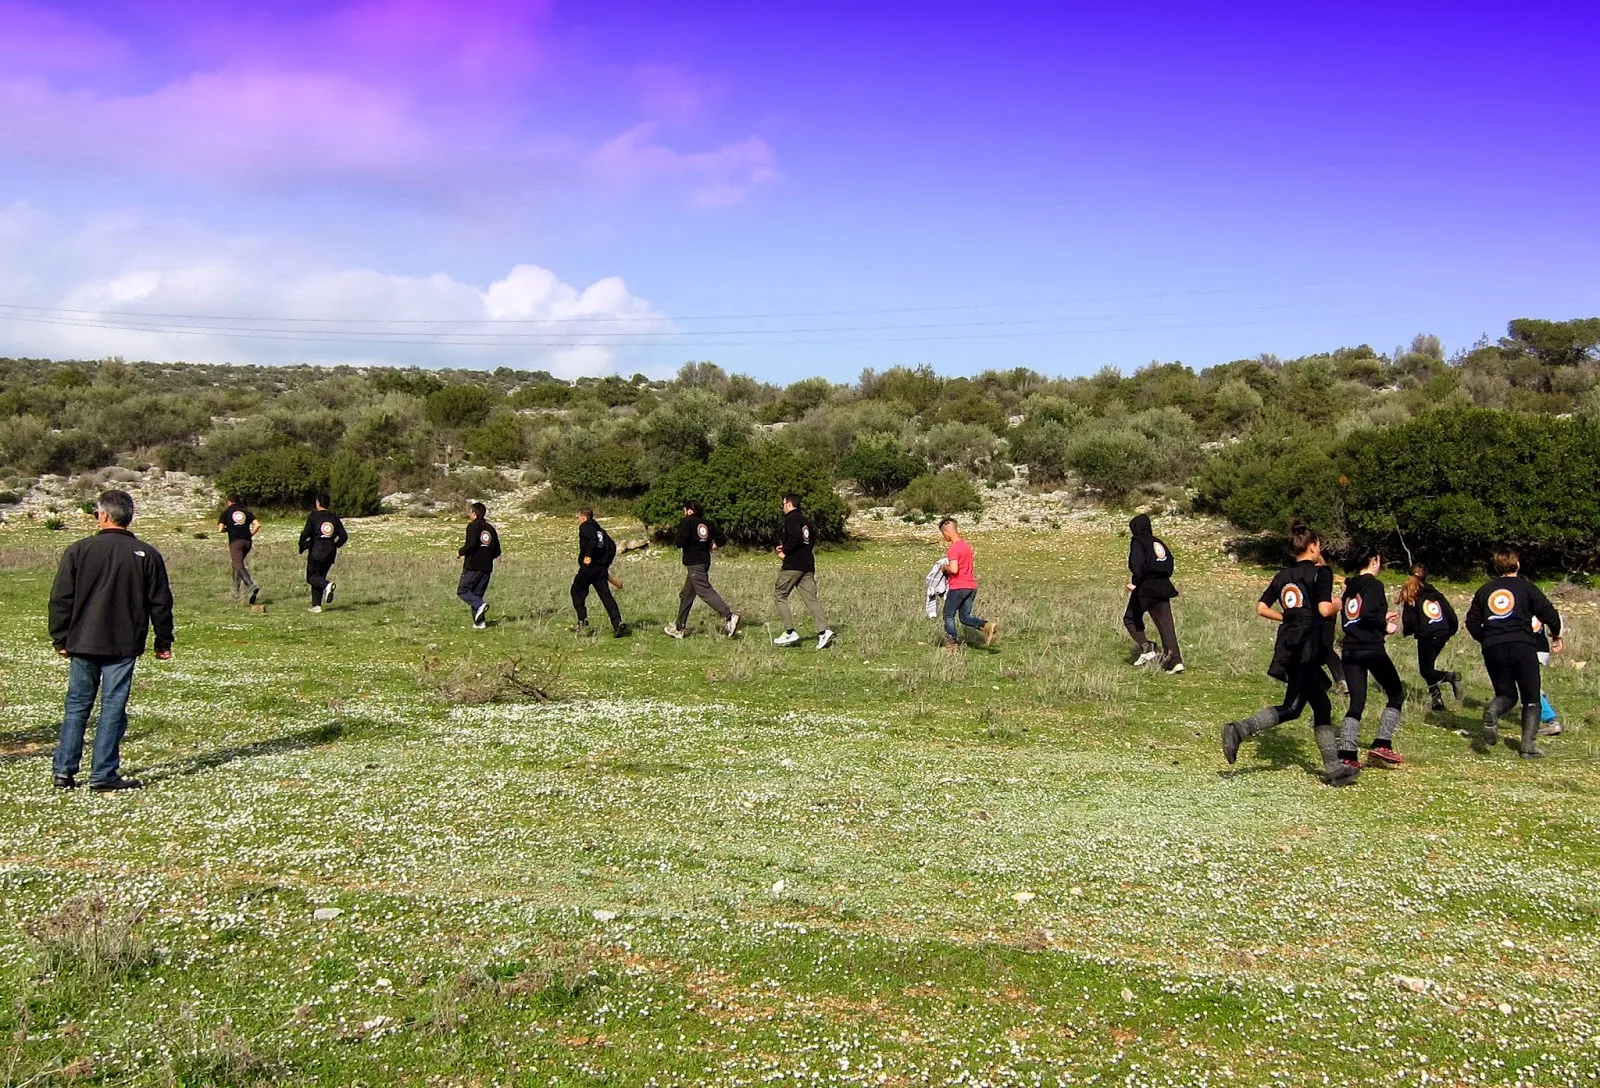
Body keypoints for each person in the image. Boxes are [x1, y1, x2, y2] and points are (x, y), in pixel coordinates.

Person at [47, 490, 173, 792]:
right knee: (113, 706)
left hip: (83, 640)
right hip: (123, 642)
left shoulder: (79, 550)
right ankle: (103, 773)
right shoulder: (147, 554)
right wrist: (163, 640)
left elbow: (61, 599)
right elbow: (160, 602)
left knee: (77, 706)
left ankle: (64, 771)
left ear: (102, 515)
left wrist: (60, 638)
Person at [1220, 521, 1357, 786]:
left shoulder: (1283, 576)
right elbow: (1324, 609)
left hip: (1288, 645)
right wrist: (1339, 604)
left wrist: (1287, 617)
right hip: (1308, 647)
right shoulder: (1321, 573)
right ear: (1313, 546)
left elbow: (1261, 608)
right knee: (1296, 707)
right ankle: (1239, 729)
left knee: (1316, 705)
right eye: (1318, 545)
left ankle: (1334, 769)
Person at [1465, 550, 1562, 758]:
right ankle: (1528, 747)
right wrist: (1555, 635)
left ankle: (1493, 711)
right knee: (1531, 698)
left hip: (1493, 648)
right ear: (1517, 565)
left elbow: (1471, 622)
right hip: (1522, 645)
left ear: (1496, 567)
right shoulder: (1527, 587)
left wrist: (1487, 639)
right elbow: (1549, 614)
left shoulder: (1485, 590)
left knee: (1506, 694)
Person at [1338, 546, 1406, 767]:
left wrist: (1381, 617)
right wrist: (1385, 625)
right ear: (1373, 560)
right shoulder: (1374, 585)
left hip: (1349, 649)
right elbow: (1367, 614)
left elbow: (1356, 617)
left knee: (1357, 702)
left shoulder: (1350, 587)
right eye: (1379, 560)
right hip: (1370, 648)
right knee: (1396, 693)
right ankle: (1382, 743)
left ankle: (1347, 754)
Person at [665, 502, 738, 639]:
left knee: (704, 590)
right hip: (704, 561)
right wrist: (712, 545)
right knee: (686, 595)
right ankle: (679, 628)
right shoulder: (707, 523)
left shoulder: (686, 522)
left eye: (685, 510)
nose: (684, 513)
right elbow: (722, 539)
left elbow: (680, 542)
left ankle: (729, 616)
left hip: (694, 562)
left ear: (689, 511)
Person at [773, 494, 835, 649]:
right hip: (807, 564)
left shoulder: (791, 518)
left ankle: (790, 632)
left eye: (783, 504)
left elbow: (794, 537)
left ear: (789, 504)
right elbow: (808, 540)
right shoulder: (805, 520)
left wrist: (785, 552)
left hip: (793, 565)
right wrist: (789, 547)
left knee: (780, 595)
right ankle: (824, 631)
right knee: (811, 599)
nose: (782, 507)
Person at [1123, 514, 1182, 673]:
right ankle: (1175, 661)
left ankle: (1147, 648)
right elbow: (1169, 565)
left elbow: (1137, 566)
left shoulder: (1138, 542)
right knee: (1166, 625)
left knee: (1130, 618)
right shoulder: (1158, 542)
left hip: (1145, 587)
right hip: (1163, 586)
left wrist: (1135, 582)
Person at [1398, 563, 1462, 712]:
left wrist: (1408, 631)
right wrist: (1451, 630)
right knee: (1428, 666)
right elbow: (1450, 612)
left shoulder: (1411, 594)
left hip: (1427, 635)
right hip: (1442, 633)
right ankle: (1436, 700)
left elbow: (1410, 620)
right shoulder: (1435, 593)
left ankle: (1450, 676)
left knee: (1426, 670)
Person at [938, 517, 996, 651]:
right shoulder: (966, 546)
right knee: (964, 617)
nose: (944, 537)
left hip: (958, 587)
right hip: (971, 587)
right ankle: (986, 626)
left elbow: (954, 569)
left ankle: (952, 644)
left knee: (948, 615)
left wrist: (944, 567)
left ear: (946, 531)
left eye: (943, 534)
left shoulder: (953, 548)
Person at [572, 508, 627, 638]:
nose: (578, 520)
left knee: (576, 591)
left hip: (588, 568)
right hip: (600, 570)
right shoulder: (601, 531)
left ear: (584, 518)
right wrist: (605, 564)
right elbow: (612, 546)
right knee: (606, 595)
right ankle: (617, 622)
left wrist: (588, 557)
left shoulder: (585, 526)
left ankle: (582, 622)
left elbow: (592, 540)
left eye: (578, 518)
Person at [298, 494, 347, 613]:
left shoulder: (314, 516)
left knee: (311, 577)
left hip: (316, 550)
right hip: (330, 552)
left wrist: (301, 544)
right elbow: (344, 536)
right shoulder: (334, 517)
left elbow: (306, 533)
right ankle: (316, 605)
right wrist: (335, 545)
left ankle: (326, 586)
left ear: (318, 503)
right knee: (319, 577)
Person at [457, 502, 501, 629]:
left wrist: (460, 552)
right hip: (487, 567)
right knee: (477, 594)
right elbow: (497, 551)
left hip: (473, 565)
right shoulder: (491, 529)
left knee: (463, 590)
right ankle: (480, 623)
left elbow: (471, 544)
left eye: (470, 513)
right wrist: (487, 557)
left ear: (474, 514)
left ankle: (480, 605)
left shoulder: (472, 526)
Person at [218, 494, 261, 604]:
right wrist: (250, 534)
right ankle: (236, 592)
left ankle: (251, 586)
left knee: (237, 564)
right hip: (247, 542)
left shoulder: (226, 513)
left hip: (236, 542)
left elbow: (220, 529)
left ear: (228, 502)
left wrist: (229, 529)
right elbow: (257, 525)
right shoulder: (246, 512)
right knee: (236, 564)